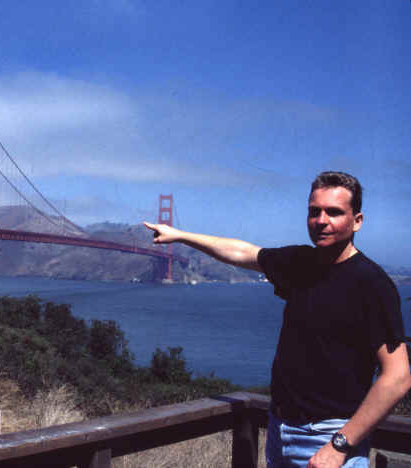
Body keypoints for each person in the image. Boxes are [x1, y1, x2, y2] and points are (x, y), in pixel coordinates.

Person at [144, 171, 410, 468]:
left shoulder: (372, 283)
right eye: (314, 211)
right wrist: (180, 235)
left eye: (334, 212)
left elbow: (397, 377)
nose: (321, 220)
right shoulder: (300, 263)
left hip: (328, 438)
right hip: (280, 431)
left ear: (357, 220)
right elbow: (243, 252)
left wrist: (339, 445)